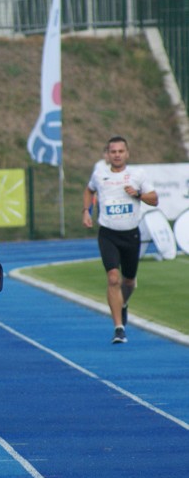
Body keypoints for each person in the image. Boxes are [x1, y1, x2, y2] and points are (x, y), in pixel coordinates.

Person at [83, 136, 158, 344]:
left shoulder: (138, 175)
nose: (117, 155)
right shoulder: (99, 175)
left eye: (120, 151)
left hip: (131, 234)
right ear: (108, 154)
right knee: (113, 278)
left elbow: (154, 199)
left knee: (129, 282)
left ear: (127, 153)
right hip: (108, 234)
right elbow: (89, 190)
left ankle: (122, 304)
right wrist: (86, 211)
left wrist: (138, 194)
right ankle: (119, 328)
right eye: (113, 151)